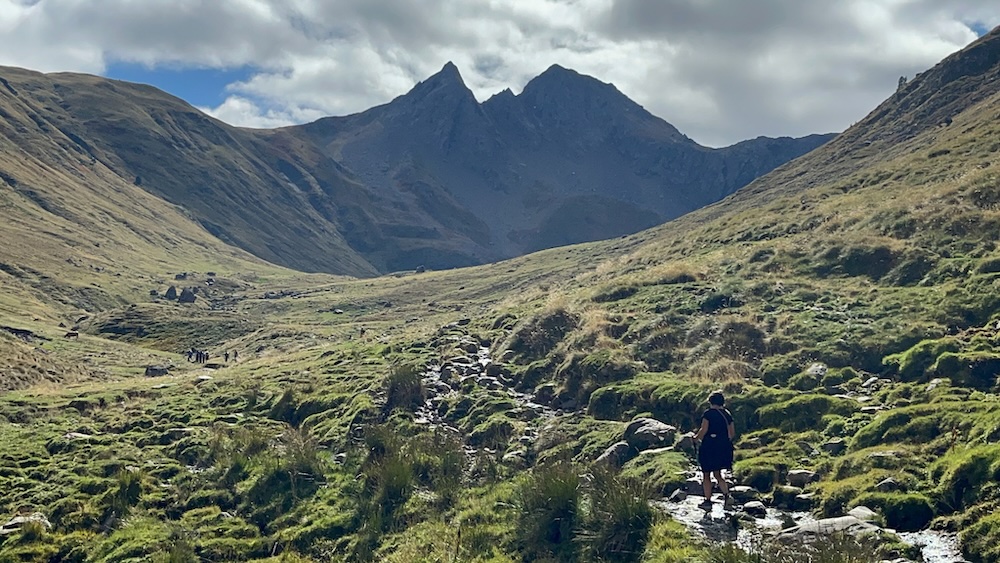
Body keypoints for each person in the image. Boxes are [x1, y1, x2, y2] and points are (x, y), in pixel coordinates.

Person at [694, 390, 735, 509]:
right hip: (722, 447)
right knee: (718, 474)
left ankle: (707, 501)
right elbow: (732, 433)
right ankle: (727, 496)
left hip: (709, 446)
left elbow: (703, 430)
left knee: (706, 474)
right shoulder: (727, 414)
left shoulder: (708, 414)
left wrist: (696, 439)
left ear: (711, 402)